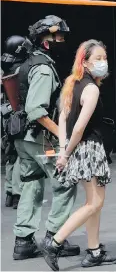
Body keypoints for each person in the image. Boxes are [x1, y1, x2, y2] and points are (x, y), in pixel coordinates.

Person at [42, 39, 116, 271]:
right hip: (90, 149)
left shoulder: (72, 84)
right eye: (98, 59)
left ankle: (94, 251)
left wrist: (65, 148)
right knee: (94, 203)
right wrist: (65, 153)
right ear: (84, 62)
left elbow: (63, 118)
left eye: (104, 58)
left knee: (92, 203)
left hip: (80, 150)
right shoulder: (91, 89)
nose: (103, 63)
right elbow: (78, 127)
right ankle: (54, 243)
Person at [11, 15, 80, 260]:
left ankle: (23, 241)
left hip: (24, 138)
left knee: (31, 183)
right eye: (59, 37)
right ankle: (54, 238)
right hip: (41, 139)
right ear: (46, 41)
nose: (63, 41)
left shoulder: (29, 62)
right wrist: (61, 133)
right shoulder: (42, 68)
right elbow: (37, 110)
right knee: (65, 183)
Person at [1, 35, 30, 209]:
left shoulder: (6, 67)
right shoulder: (20, 69)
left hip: (6, 114)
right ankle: (18, 194)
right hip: (17, 114)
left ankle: (10, 192)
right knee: (20, 154)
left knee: (11, 153)